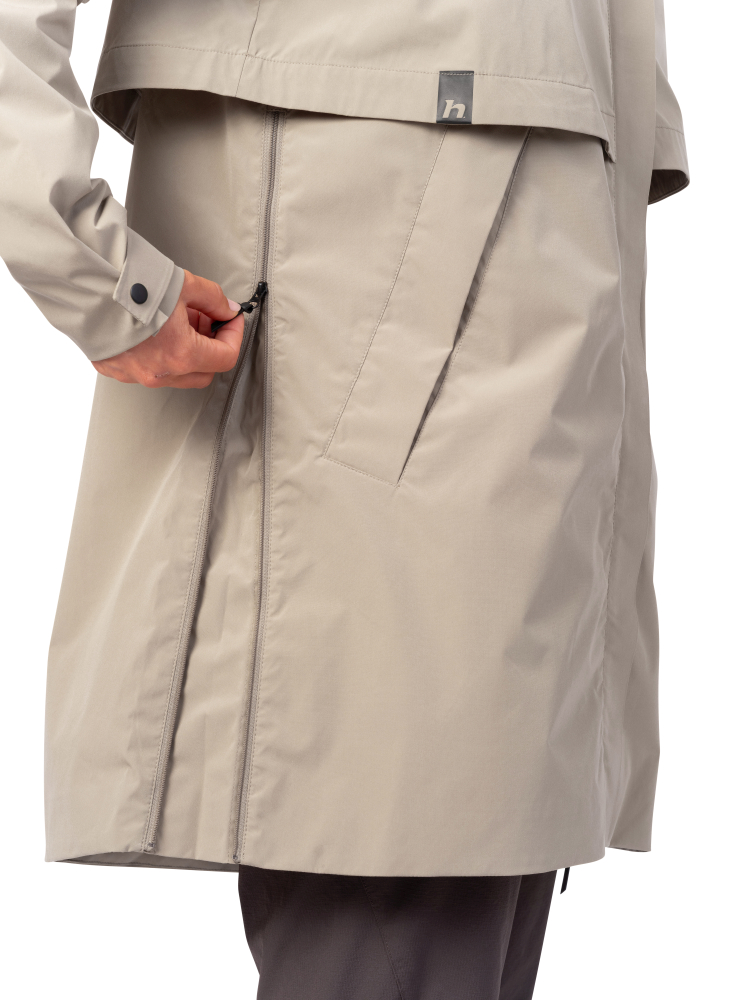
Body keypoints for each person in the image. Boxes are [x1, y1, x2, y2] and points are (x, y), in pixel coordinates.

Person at [0, 1, 688, 996]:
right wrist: (90, 265)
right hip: (369, 300)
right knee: (400, 873)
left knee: (467, 876)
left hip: (544, 303)